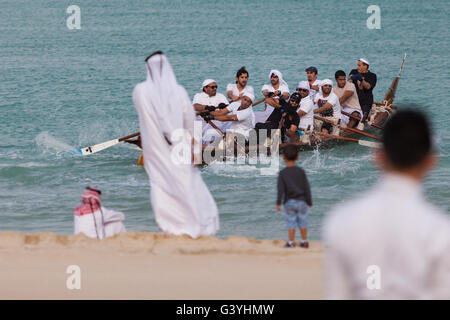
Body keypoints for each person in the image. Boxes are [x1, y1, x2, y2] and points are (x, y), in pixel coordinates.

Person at [323, 110, 450, 299]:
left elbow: (337, 295)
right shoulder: (440, 230)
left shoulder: (342, 220)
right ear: (430, 161)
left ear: (378, 156)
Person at [133, 51, 219, 238]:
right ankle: (192, 225)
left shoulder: (141, 91)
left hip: (156, 150)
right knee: (185, 184)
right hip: (178, 147)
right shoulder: (178, 92)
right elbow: (189, 123)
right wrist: (195, 151)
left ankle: (169, 227)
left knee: (160, 186)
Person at [276, 144, 313, 248]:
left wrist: (278, 202)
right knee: (303, 221)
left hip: (289, 202)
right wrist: (309, 201)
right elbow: (307, 187)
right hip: (302, 201)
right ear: (297, 157)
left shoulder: (282, 173)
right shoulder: (301, 171)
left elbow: (281, 189)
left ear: (283, 157)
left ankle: (291, 242)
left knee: (290, 221)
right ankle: (304, 241)